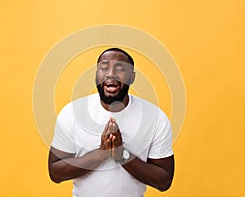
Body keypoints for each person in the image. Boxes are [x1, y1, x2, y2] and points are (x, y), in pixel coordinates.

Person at [48, 48, 175, 197]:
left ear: (132, 77)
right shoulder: (72, 113)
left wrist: (122, 155)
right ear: (96, 75)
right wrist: (101, 154)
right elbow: (55, 172)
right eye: (104, 68)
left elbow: (164, 181)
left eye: (120, 68)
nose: (110, 74)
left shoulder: (155, 117)